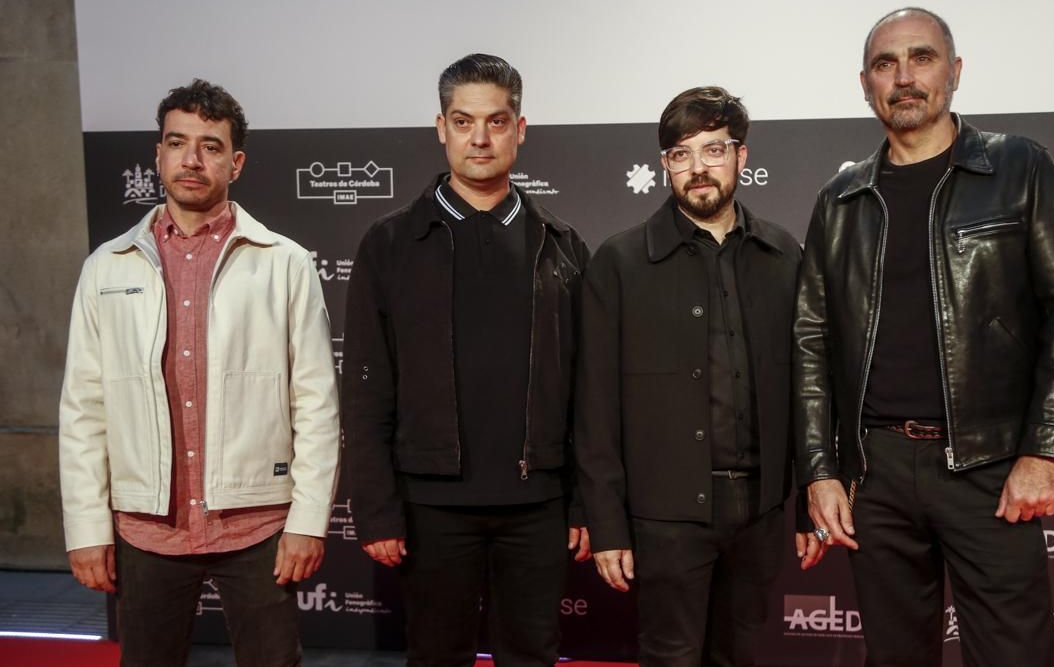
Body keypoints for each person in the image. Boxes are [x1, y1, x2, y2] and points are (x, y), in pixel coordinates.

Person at [794, 7, 1054, 667]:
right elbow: (811, 340)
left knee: (1014, 654)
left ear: (954, 72)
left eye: (922, 57)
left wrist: (1044, 450)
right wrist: (821, 469)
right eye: (886, 64)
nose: (904, 77)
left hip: (988, 466)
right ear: (865, 83)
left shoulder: (1018, 168)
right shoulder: (840, 199)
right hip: (876, 473)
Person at [59, 78, 341, 667]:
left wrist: (310, 521)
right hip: (146, 528)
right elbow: (84, 410)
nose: (191, 159)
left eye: (210, 146)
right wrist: (87, 527)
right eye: (177, 142)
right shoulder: (105, 268)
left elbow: (315, 402)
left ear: (235, 163)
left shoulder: (284, 262)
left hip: (257, 525)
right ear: (157, 155)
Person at [340, 53, 591, 667]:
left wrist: (585, 503)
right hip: (431, 508)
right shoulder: (391, 243)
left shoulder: (561, 245)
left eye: (497, 122)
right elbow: (367, 387)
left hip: (537, 504)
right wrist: (375, 508)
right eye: (463, 120)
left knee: (532, 654)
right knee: (436, 655)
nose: (480, 138)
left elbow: (588, 392)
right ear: (441, 127)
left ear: (520, 128)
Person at [576, 86, 812, 667]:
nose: (698, 168)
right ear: (665, 165)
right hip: (663, 516)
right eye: (681, 154)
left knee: (744, 656)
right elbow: (594, 407)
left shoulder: (784, 256)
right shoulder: (621, 262)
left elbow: (809, 391)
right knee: (672, 657)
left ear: (741, 157)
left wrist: (808, 503)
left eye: (713, 149)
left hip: (760, 512)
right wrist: (605, 525)